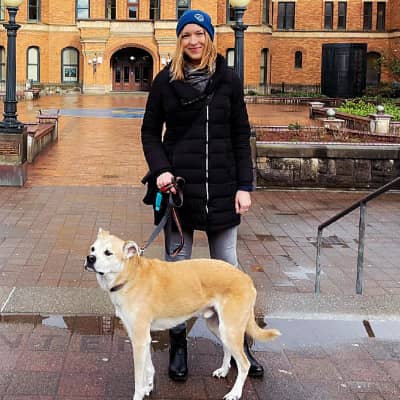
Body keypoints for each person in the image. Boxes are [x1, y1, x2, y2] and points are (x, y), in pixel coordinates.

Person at [141, 9, 264, 381]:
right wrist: (161, 170)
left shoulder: (228, 79)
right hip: (179, 192)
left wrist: (245, 186)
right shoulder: (165, 81)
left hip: (223, 190)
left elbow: (240, 135)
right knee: (176, 276)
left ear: (209, 37)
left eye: (199, 34)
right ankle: (178, 345)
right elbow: (150, 133)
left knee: (229, 271)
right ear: (179, 40)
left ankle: (242, 344)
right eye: (186, 35)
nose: (193, 41)